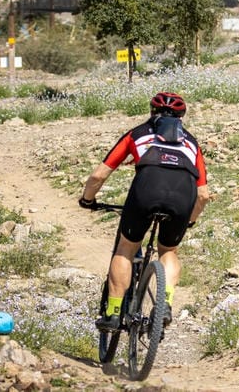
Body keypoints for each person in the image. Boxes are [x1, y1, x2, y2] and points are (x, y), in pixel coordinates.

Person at [78, 91, 209, 331]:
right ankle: (165, 304)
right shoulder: (192, 143)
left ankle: (114, 313)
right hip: (183, 196)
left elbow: (99, 174)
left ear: (151, 112)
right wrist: (189, 221)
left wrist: (87, 199)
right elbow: (203, 194)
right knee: (169, 250)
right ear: (182, 117)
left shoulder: (137, 134)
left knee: (126, 248)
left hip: (146, 191)